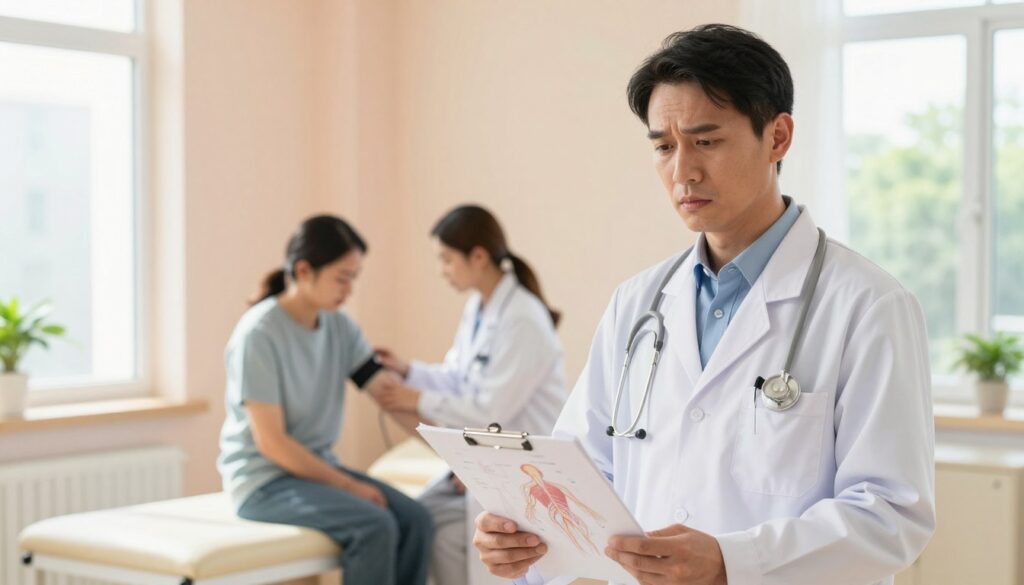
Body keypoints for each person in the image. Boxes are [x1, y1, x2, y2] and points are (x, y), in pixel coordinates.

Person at [472, 24, 935, 585]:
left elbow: (891, 516)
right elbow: (584, 473)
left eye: (706, 142)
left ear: (778, 137)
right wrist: (525, 538)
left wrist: (732, 562)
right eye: (664, 147)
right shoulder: (637, 304)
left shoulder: (868, 305)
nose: (682, 172)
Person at [217, 215, 433, 585]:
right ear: (304, 271)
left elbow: (390, 398)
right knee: (374, 525)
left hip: (315, 473)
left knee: (418, 520)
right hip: (264, 482)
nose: (349, 290)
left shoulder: (340, 327)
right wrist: (349, 487)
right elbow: (272, 443)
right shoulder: (259, 335)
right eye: (342, 278)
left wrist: (455, 459)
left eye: (354, 278)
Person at [373, 204, 567, 585]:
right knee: (429, 524)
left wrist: (415, 400)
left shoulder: (523, 318)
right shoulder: (479, 306)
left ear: (478, 256)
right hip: (488, 458)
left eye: (446, 259)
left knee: (453, 539)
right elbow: (457, 377)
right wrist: (409, 372)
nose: (442, 270)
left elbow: (488, 411)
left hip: (522, 465)